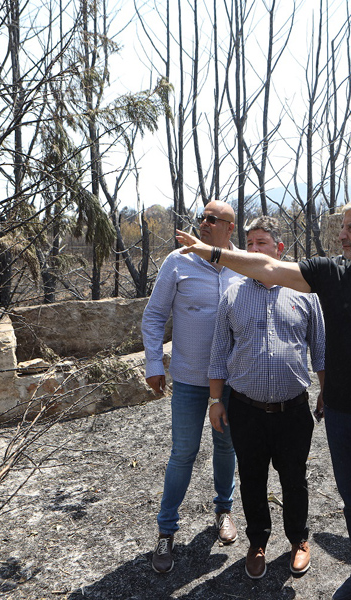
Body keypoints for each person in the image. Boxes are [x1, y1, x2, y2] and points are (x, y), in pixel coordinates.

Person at [176, 198, 351, 600]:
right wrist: (212, 252)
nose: (342, 235)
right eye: (342, 227)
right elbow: (268, 268)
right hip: (341, 418)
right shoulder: (330, 273)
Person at [207, 216, 326, 580]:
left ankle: (298, 540)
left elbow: (321, 350)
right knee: (252, 479)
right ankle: (257, 542)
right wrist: (215, 400)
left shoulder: (306, 293)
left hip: (293, 410)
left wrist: (326, 391)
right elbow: (218, 352)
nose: (254, 249)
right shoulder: (232, 295)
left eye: (262, 243)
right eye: (249, 244)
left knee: (294, 479)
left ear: (280, 249)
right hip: (247, 410)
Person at [141, 200, 243, 574]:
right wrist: (154, 363)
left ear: (230, 227)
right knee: (183, 452)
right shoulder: (178, 261)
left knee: (226, 446)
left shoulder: (242, 264)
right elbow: (154, 315)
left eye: (213, 219)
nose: (204, 223)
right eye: (202, 217)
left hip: (230, 381)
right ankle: (166, 530)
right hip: (187, 378)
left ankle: (223, 510)